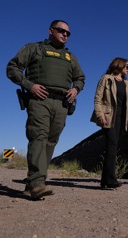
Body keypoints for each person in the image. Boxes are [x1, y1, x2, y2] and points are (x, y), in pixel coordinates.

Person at [6, 20, 85, 199]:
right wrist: (29, 85)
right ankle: (37, 184)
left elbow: (80, 78)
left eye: (68, 33)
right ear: (50, 31)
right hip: (40, 99)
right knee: (38, 137)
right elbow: (12, 68)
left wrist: (75, 89)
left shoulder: (70, 57)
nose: (65, 34)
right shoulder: (35, 48)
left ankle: (32, 182)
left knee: (51, 141)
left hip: (62, 103)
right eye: (61, 31)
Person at [91, 57, 128, 189]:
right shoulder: (106, 78)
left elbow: (127, 102)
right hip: (108, 117)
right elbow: (97, 98)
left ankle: (104, 180)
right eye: (127, 66)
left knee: (113, 147)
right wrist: (100, 115)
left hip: (120, 118)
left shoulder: (125, 83)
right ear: (119, 65)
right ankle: (111, 179)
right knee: (111, 145)